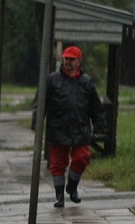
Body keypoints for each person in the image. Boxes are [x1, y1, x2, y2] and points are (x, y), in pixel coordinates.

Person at [36, 45, 107, 208]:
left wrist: (100, 126)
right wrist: (37, 123)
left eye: (71, 59)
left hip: (79, 128)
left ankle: (72, 187)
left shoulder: (86, 82)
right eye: (65, 58)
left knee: (82, 157)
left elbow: (96, 107)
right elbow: (41, 104)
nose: (67, 62)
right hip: (58, 128)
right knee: (57, 164)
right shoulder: (53, 80)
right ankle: (59, 196)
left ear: (79, 61)